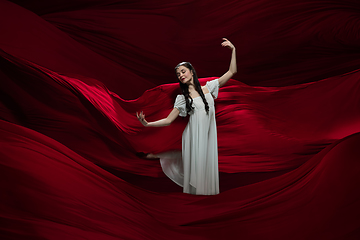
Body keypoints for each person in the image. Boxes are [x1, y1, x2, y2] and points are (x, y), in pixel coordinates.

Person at [137, 38, 237, 195]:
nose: (181, 75)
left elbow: (232, 72)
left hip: (208, 134)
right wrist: (148, 124)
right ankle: (162, 158)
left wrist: (233, 50)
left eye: (183, 71)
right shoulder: (182, 99)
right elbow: (169, 120)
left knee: (206, 168)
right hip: (193, 135)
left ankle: (205, 199)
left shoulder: (209, 87)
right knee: (196, 169)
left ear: (192, 71)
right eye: (178, 74)